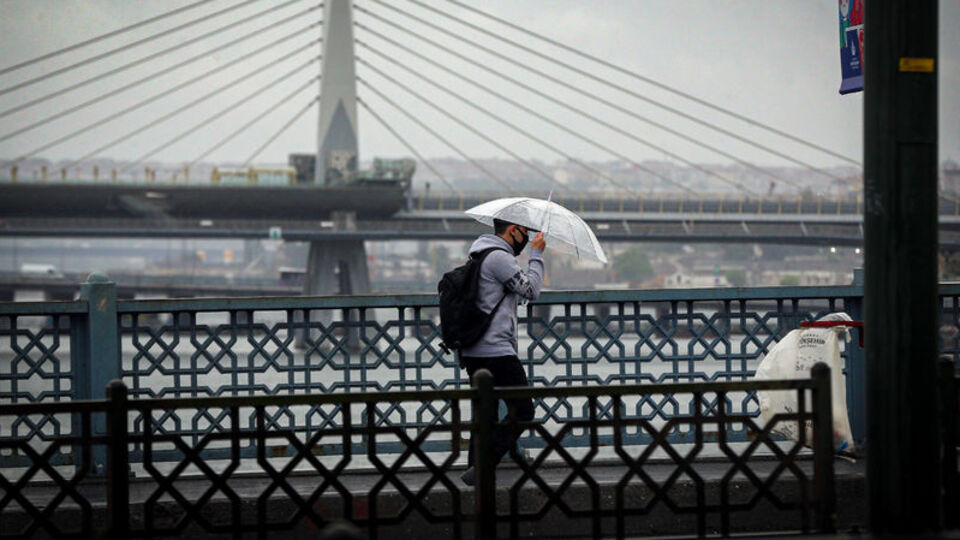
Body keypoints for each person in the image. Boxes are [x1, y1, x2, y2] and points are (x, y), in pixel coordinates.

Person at [460, 218, 546, 486]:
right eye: (524, 232)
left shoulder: (479, 254)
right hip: (495, 350)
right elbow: (531, 290)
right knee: (523, 410)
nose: (526, 236)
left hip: (474, 349)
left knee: (484, 413)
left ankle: (475, 469)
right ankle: (483, 465)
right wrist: (536, 254)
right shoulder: (498, 257)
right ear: (513, 230)